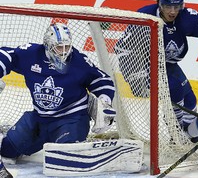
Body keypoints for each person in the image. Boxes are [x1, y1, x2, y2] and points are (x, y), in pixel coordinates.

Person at [115, 0, 198, 141]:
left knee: (189, 99)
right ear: (158, 2)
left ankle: (187, 135)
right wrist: (134, 77)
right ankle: (176, 134)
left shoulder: (186, 16)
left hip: (168, 64)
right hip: (145, 65)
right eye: (168, 6)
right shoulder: (145, 18)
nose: (173, 11)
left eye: (177, 6)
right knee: (174, 88)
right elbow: (124, 50)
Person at [0, 23, 116, 159]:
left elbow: (102, 80)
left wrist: (104, 100)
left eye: (67, 46)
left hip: (71, 119)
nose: (64, 52)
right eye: (60, 47)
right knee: (7, 151)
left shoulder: (79, 62)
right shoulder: (31, 54)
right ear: (47, 45)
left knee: (64, 157)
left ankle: (79, 143)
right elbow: (7, 55)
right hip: (39, 118)